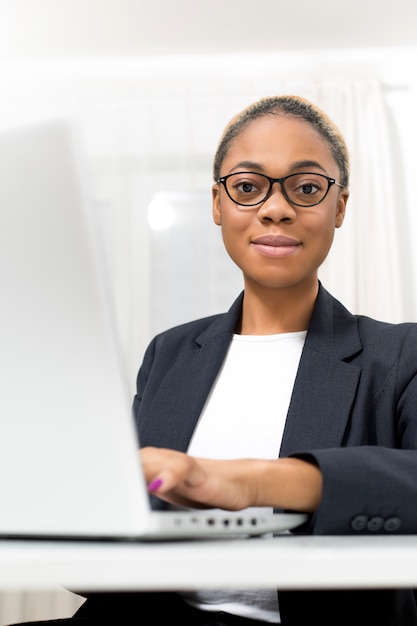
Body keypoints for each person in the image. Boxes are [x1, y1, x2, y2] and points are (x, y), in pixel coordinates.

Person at [11, 95, 417, 625]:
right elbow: (122, 532)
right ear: (217, 204)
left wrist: (245, 482)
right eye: (248, 187)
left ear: (339, 207)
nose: (275, 207)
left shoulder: (398, 355)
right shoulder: (171, 352)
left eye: (308, 187)